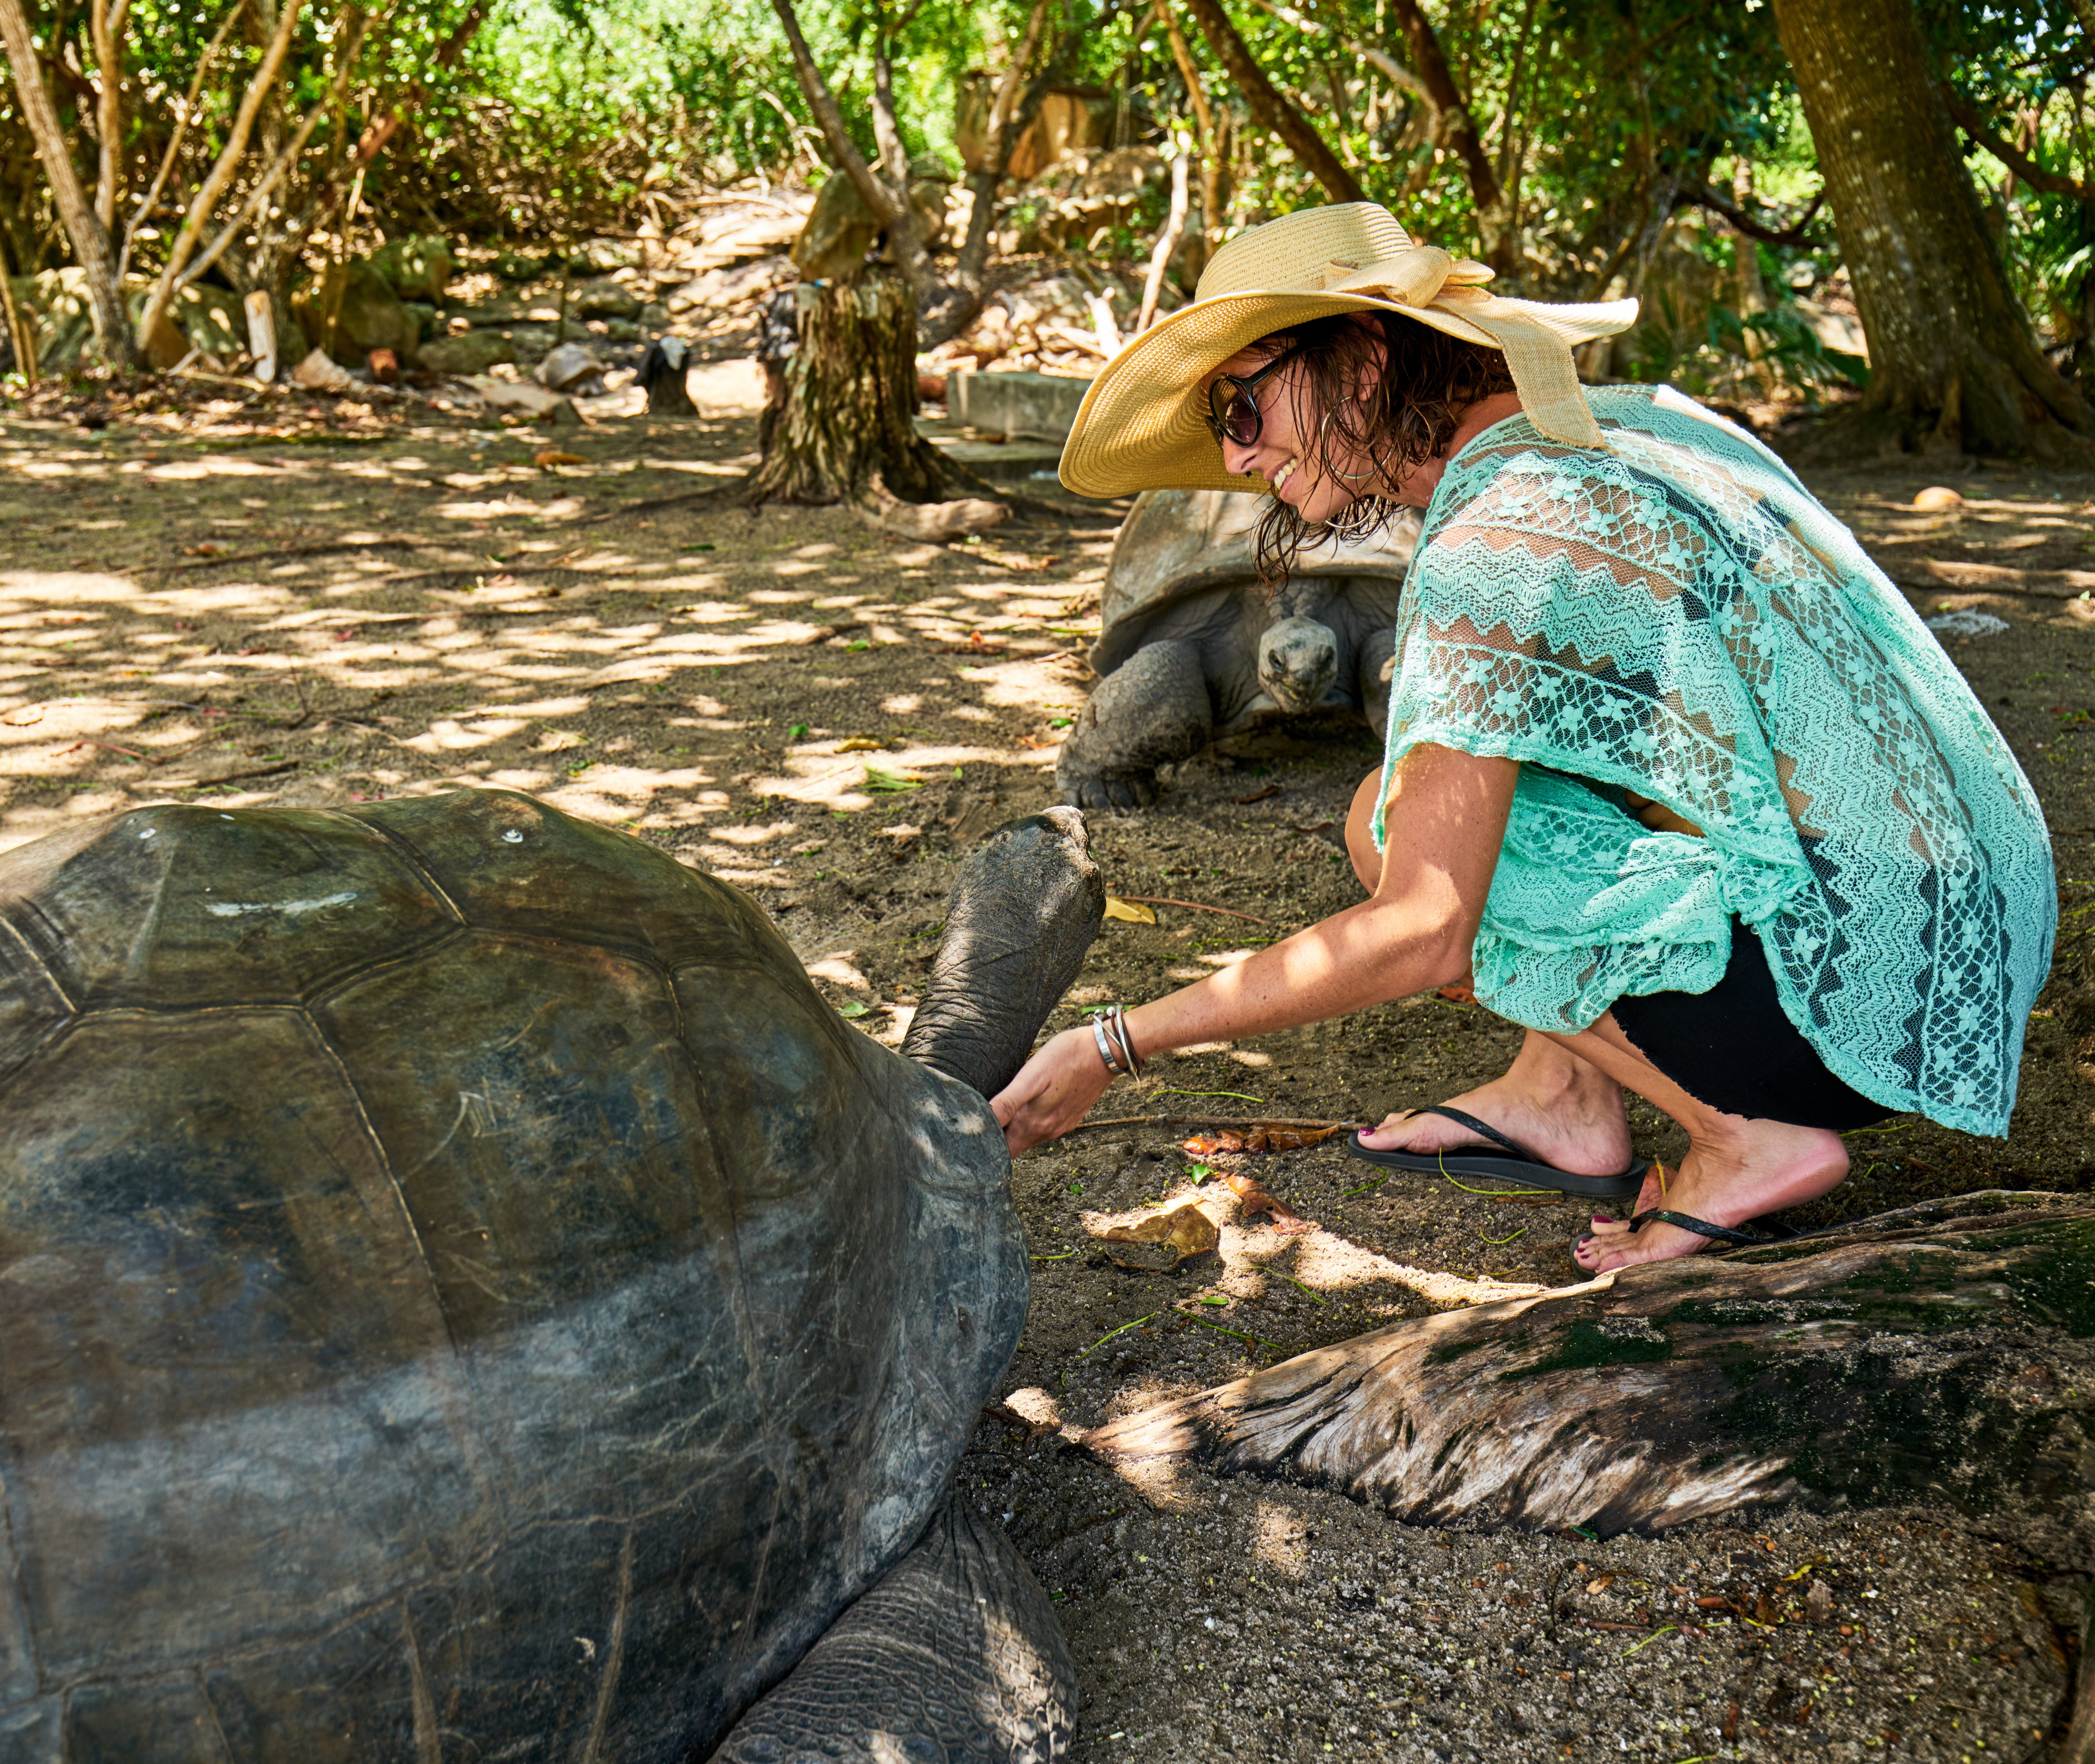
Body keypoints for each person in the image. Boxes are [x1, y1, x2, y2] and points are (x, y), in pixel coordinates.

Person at [993, 202, 2055, 1272]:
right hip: (1971, 924)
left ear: (1362, 361)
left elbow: (1425, 931)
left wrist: (1114, 1042)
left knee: (1392, 825)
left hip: (1855, 995)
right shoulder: (1634, 424)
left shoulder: (1496, 535)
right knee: (1481, 787)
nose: (1235, 455)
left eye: (1243, 402)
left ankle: (1748, 1137)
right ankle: (1563, 1090)